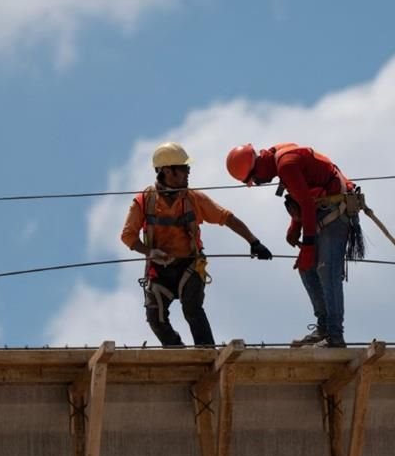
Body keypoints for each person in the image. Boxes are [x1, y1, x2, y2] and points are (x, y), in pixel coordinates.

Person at [122, 142, 272, 348]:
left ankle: (207, 352)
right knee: (155, 318)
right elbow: (128, 236)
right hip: (159, 271)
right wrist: (149, 252)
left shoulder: (193, 199)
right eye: (183, 168)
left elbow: (226, 218)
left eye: (187, 168)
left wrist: (254, 242)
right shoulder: (144, 201)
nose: (188, 173)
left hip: (189, 267)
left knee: (192, 309)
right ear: (167, 171)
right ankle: (178, 353)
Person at [226, 143, 357, 348]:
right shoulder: (279, 161)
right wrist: (295, 225)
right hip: (323, 212)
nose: (258, 183)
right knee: (307, 269)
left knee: (327, 270)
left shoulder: (286, 164)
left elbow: (306, 203)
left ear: (256, 167)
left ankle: (335, 336)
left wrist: (308, 245)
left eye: (254, 180)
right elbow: (304, 194)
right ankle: (324, 328)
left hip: (336, 213)